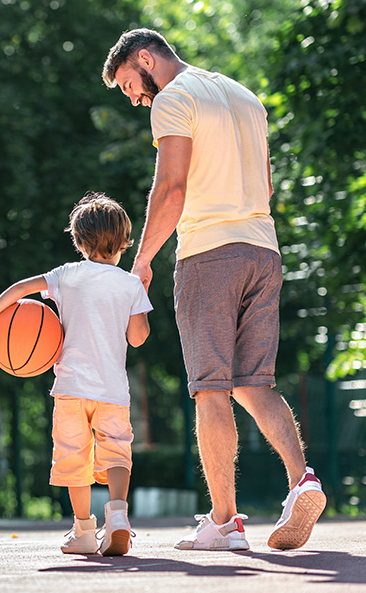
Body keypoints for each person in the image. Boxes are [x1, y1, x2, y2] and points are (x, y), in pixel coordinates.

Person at [100, 28, 326, 551]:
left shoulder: (174, 99)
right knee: (255, 383)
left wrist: (144, 259)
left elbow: (172, 187)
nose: (135, 98)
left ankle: (224, 523)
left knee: (210, 387)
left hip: (209, 255)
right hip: (264, 251)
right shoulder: (245, 96)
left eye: (131, 85)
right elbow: (266, 186)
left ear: (144, 58)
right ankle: (302, 480)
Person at [0, 193, 152, 556]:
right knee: (117, 454)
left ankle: (84, 530)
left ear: (79, 240)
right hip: (112, 391)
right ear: (123, 241)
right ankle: (118, 515)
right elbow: (137, 339)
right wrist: (140, 296)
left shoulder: (66, 275)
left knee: (75, 459)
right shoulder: (130, 284)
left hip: (71, 388)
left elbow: (21, 290)